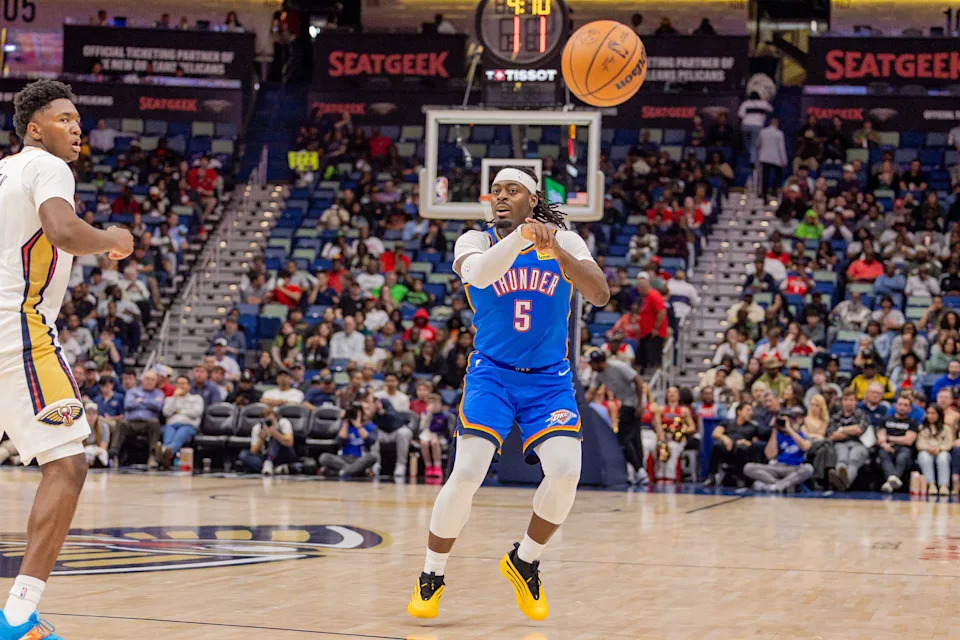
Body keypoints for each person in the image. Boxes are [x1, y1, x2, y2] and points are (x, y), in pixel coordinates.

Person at [409, 166, 610, 621]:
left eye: (512, 190)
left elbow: (599, 294)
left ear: (533, 200)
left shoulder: (567, 241)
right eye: (495, 190)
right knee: (467, 473)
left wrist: (553, 246)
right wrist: (522, 238)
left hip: (548, 379)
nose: (500, 196)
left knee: (565, 472)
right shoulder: (473, 241)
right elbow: (479, 276)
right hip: (492, 375)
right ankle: (431, 574)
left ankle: (525, 560)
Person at [0, 79, 134, 639]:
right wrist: (112, 237)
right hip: (17, 328)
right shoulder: (46, 167)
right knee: (69, 463)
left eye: (78, 119)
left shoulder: (3, 171)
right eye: (64, 118)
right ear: (36, 129)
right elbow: (61, 230)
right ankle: (18, 617)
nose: (76, 127)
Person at [587, 350, 650, 485]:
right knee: (634, 438)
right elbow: (591, 392)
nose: (590, 366)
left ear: (599, 362)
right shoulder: (598, 376)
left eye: (592, 363)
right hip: (625, 402)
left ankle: (639, 470)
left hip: (634, 402)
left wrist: (640, 404)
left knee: (623, 438)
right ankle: (640, 472)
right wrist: (578, 406)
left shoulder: (618, 367)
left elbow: (638, 381)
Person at [744, 407, 814, 492]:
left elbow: (805, 447)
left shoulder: (802, 435)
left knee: (808, 468)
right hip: (777, 467)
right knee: (748, 467)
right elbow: (770, 455)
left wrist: (789, 429)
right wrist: (774, 429)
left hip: (794, 468)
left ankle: (774, 486)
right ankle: (780, 485)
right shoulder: (778, 435)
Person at [109, 370, 164, 468]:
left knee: (155, 423)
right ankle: (114, 455)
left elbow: (158, 406)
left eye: (152, 379)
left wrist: (140, 400)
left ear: (156, 382)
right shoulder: (132, 391)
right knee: (121, 423)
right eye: (147, 379)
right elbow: (128, 404)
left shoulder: (159, 393)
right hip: (131, 423)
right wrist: (150, 402)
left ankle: (153, 457)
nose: (149, 381)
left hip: (148, 424)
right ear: (142, 380)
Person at [826, 389, 871, 491]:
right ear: (842, 402)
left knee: (853, 459)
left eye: (851, 400)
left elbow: (860, 429)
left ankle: (842, 482)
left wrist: (842, 429)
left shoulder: (861, 414)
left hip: (859, 444)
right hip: (840, 444)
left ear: (855, 402)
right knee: (842, 458)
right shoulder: (836, 416)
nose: (848, 402)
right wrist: (852, 431)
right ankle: (843, 482)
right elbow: (832, 435)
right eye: (846, 400)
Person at [319, 403, 379, 477]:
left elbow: (370, 442)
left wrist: (358, 426)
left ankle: (345, 471)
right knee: (324, 457)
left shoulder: (371, 426)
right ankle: (353, 470)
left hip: (360, 459)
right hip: (344, 458)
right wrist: (346, 421)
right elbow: (339, 443)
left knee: (373, 456)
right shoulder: (345, 425)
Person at [157, 375, 203, 470]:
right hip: (171, 425)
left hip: (188, 426)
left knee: (180, 435)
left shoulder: (196, 398)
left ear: (189, 386)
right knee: (168, 436)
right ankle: (166, 454)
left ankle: (164, 453)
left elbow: (196, 413)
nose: (181, 386)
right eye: (178, 384)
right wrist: (174, 398)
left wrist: (179, 411)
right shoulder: (170, 399)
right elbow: (166, 412)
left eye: (183, 383)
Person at [704, 402, 756, 487]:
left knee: (742, 448)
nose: (751, 413)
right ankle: (712, 476)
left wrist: (748, 443)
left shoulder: (752, 426)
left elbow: (755, 441)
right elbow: (715, 433)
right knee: (717, 445)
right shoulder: (728, 422)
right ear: (739, 411)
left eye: (751, 410)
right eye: (748, 410)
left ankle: (740, 477)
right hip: (727, 446)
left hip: (741, 448)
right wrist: (725, 438)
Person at [878, 395, 919, 493]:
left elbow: (908, 441)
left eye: (905, 405)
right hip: (887, 447)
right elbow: (880, 437)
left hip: (904, 449)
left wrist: (889, 438)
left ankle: (890, 483)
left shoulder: (912, 423)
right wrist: (884, 444)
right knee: (883, 453)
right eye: (900, 404)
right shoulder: (885, 420)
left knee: (902, 456)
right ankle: (893, 480)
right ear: (895, 406)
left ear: (909, 408)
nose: (902, 407)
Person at [238, 407, 297, 476]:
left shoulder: (283, 422)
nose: (269, 423)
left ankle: (269, 464)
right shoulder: (257, 428)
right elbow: (253, 451)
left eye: (271, 421)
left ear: (275, 418)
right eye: (267, 421)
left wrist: (274, 433)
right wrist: (261, 439)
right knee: (244, 455)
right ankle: (275, 469)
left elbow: (289, 442)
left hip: (283, 453)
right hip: (265, 456)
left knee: (274, 438)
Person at [916, 404, 954, 496]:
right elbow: (919, 443)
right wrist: (928, 448)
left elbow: (949, 443)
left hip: (941, 451)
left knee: (943, 457)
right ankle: (931, 484)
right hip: (927, 451)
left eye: (933, 413)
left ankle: (943, 485)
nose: (930, 416)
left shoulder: (946, 428)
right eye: (928, 413)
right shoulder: (922, 428)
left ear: (939, 415)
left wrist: (940, 448)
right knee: (923, 456)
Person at [418, 393, 451, 479]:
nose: (433, 406)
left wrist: (438, 436)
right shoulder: (425, 414)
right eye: (430, 403)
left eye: (435, 403)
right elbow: (422, 427)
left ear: (440, 404)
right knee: (424, 443)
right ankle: (428, 466)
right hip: (427, 433)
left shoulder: (445, 415)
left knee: (434, 442)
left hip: (440, 436)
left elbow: (447, 430)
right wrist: (428, 415)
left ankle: (437, 466)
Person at [81, 401, 109, 468]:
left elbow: (103, 447)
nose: (91, 416)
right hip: (83, 456)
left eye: (94, 414)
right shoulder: (80, 428)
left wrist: (92, 452)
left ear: (97, 415)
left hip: (97, 455)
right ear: (84, 414)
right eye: (88, 413)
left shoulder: (104, 427)